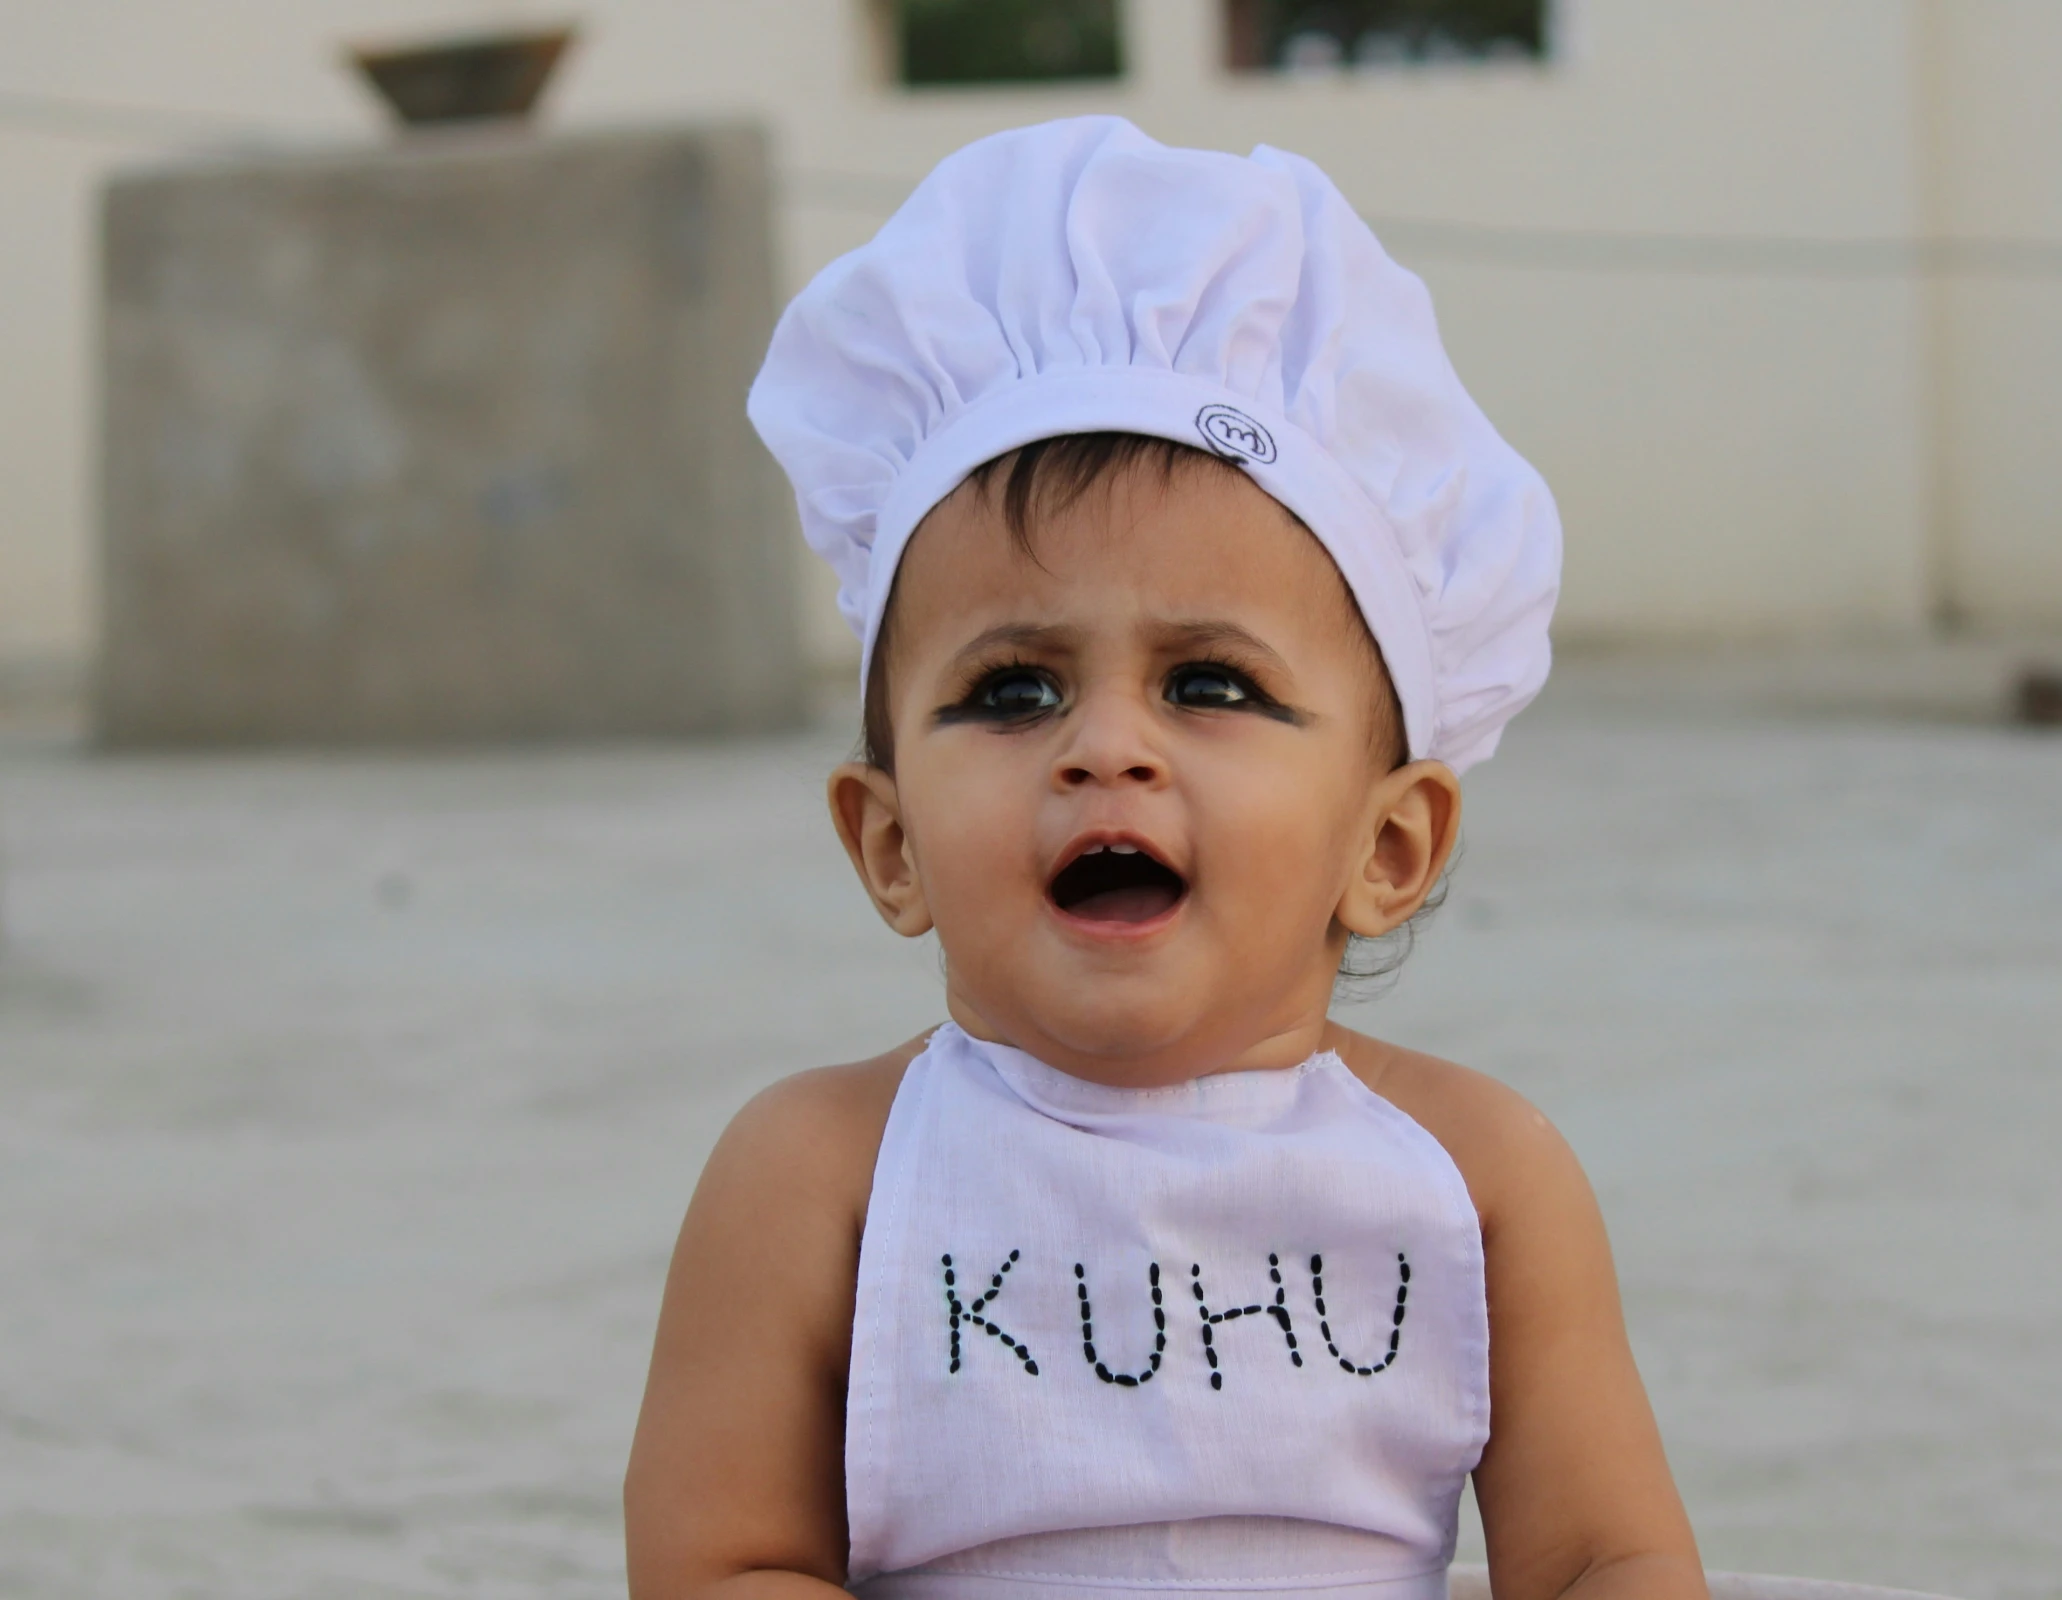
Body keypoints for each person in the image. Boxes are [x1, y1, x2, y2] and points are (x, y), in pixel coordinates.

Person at [624, 116, 1706, 1600]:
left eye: (1209, 684)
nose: (1104, 747)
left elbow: (1604, 1556)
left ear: (1388, 845)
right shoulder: (823, 1178)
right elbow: (720, 1562)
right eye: (1013, 690)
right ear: (889, 845)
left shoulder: (1477, 1177)